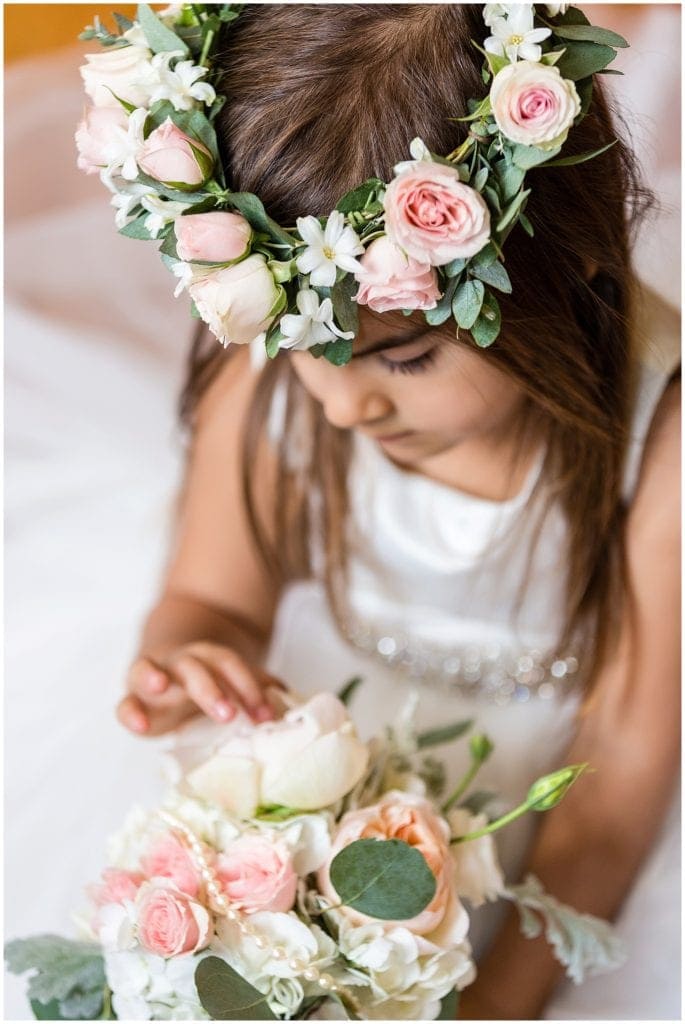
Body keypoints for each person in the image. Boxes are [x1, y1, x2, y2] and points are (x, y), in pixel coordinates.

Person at [112, 5, 680, 1019]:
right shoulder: (286, 382)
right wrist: (188, 654)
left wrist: (495, 1002)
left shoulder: (661, 437)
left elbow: (616, 777)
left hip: (567, 810)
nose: (340, 404)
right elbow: (209, 595)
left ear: (563, 265)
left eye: (403, 357)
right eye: (301, 353)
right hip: (328, 772)